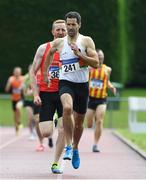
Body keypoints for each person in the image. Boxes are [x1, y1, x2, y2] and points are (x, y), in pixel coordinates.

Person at [43, 11, 99, 169]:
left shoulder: (86, 41)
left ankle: (75, 148)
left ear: (79, 25)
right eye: (68, 24)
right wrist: (46, 73)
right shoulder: (60, 43)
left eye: (74, 24)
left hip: (82, 85)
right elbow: (49, 53)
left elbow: (95, 63)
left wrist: (80, 55)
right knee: (67, 108)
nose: (71, 27)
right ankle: (68, 146)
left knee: (79, 124)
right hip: (66, 82)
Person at [30, 19, 67, 174]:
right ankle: (53, 119)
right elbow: (33, 71)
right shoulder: (43, 48)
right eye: (57, 29)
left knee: (64, 129)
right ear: (52, 32)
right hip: (46, 93)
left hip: (65, 92)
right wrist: (36, 93)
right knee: (46, 132)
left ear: (67, 31)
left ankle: (55, 163)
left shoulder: (71, 49)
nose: (60, 32)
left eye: (63, 30)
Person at [85, 49, 117, 152]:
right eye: (99, 56)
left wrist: (111, 87)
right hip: (91, 99)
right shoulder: (89, 69)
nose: (101, 58)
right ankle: (93, 118)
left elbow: (107, 82)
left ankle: (95, 144)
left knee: (99, 121)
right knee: (89, 125)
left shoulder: (107, 69)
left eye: (102, 56)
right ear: (95, 57)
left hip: (102, 98)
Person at [5, 67, 24, 135]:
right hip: (14, 99)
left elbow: (26, 88)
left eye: (18, 72)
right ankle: (17, 126)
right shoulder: (11, 79)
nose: (17, 73)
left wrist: (23, 87)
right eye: (16, 72)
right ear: (14, 72)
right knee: (14, 115)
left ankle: (19, 122)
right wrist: (9, 83)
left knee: (18, 107)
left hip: (21, 98)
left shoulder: (23, 78)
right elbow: (6, 90)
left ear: (20, 72)